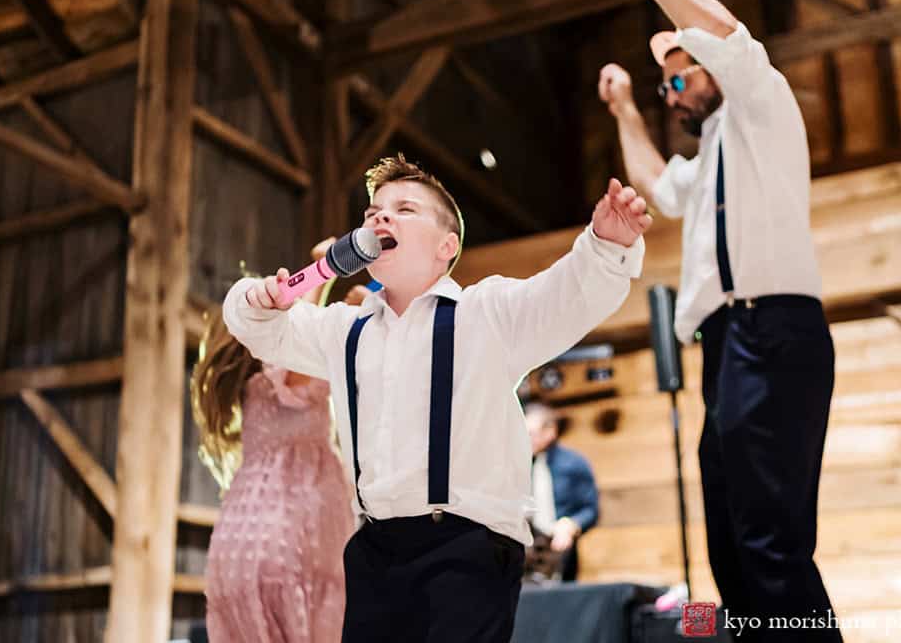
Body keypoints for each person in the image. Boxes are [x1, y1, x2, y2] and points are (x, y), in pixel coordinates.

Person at [223, 154, 652, 642]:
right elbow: (257, 329)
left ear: (446, 247)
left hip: (468, 546)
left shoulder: (486, 313)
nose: (381, 218)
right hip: (373, 548)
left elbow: (565, 295)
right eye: (372, 213)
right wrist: (255, 297)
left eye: (404, 209)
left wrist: (605, 245)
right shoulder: (344, 330)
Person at [599, 0, 839, 641]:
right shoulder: (708, 159)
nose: (671, 95)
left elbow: (728, 33)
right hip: (725, 348)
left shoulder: (761, 104)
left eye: (680, 78)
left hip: (771, 331)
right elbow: (658, 185)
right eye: (665, 85)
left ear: (713, 67)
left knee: (770, 541)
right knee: (730, 542)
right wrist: (624, 109)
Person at [192, 242, 356, 643]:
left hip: (245, 537)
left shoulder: (256, 384)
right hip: (292, 533)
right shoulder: (283, 369)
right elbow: (301, 344)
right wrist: (323, 272)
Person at [525, 399, 599, 582]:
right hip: (524, 552)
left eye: (531, 434)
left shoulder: (574, 463)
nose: (526, 440)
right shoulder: (516, 465)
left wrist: (572, 524)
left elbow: (591, 509)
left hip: (560, 552)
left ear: (550, 431)